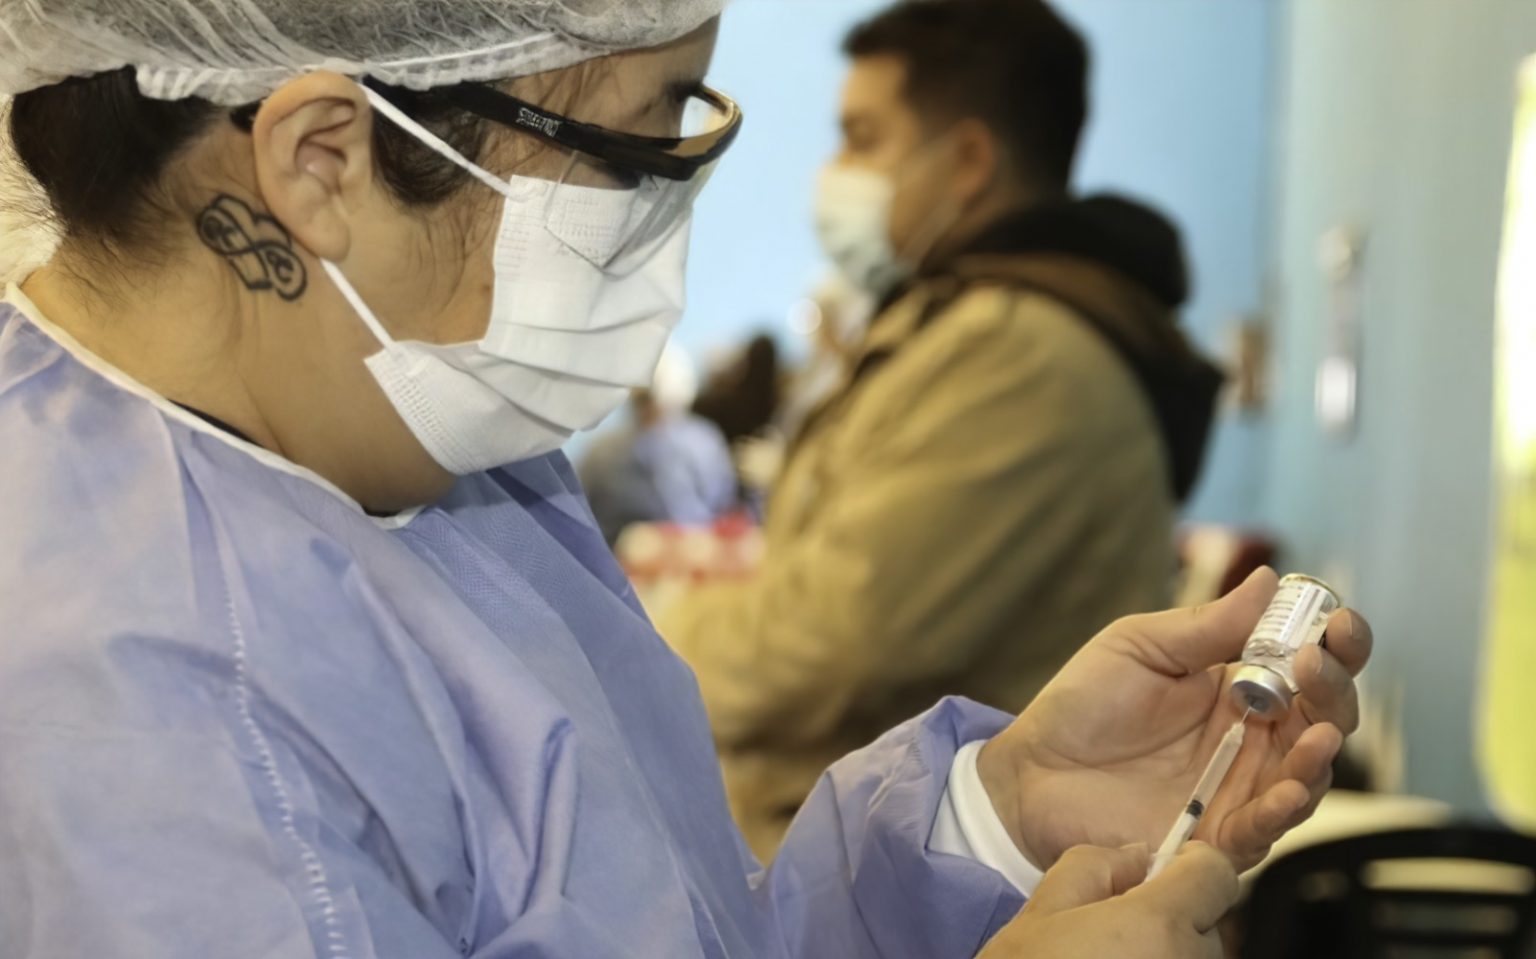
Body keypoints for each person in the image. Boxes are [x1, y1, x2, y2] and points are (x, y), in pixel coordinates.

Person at [0, 1, 1367, 956]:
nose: (664, 221)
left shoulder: (424, 431)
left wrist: (995, 815)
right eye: (642, 142)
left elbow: (671, 921)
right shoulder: (139, 711)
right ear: (325, 162)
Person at [659, 0, 1225, 859]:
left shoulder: (1017, 356)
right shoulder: (962, 321)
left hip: (934, 884)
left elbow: (833, 637)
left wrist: (644, 634)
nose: (836, 171)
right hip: (878, 854)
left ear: (967, 160)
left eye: (862, 138)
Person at [579, 345, 737, 545]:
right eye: (643, 400)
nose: (648, 410)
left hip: (693, 551)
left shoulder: (702, 444)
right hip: (622, 555)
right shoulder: (602, 453)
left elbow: (723, 506)